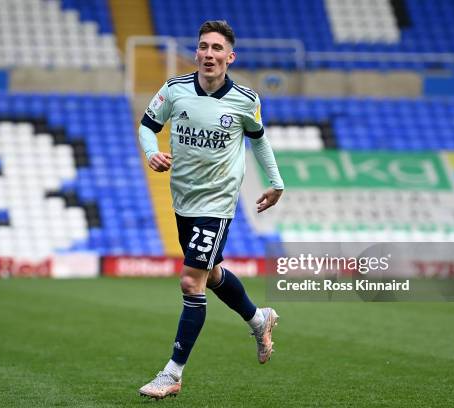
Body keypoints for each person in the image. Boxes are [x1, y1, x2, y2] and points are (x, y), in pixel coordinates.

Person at [137, 20, 285, 400]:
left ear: (230, 57)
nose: (208, 54)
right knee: (213, 273)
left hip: (217, 202)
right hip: (182, 199)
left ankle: (172, 373)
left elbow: (260, 141)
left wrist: (276, 182)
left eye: (217, 48)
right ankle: (259, 318)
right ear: (197, 52)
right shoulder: (175, 90)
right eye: (203, 46)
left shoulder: (245, 99)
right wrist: (152, 152)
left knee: (191, 281)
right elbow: (146, 126)